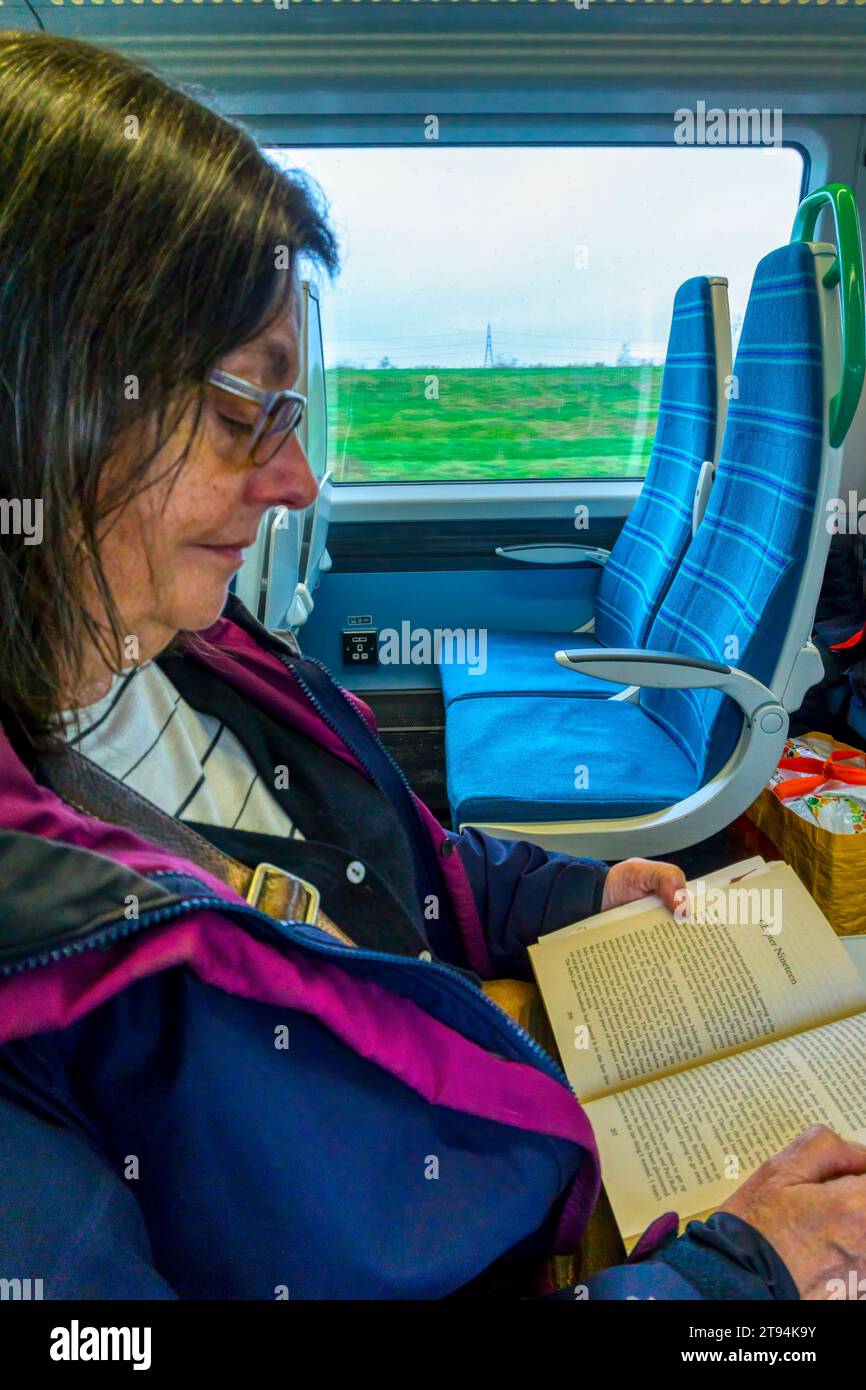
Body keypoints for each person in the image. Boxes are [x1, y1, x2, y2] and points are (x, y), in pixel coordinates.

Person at [1, 31, 865, 1302]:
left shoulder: (200, 661)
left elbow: (387, 868)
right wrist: (724, 1287)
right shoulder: (36, 986)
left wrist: (562, 903)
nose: (293, 481)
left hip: (516, 1150)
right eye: (245, 410)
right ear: (45, 391)